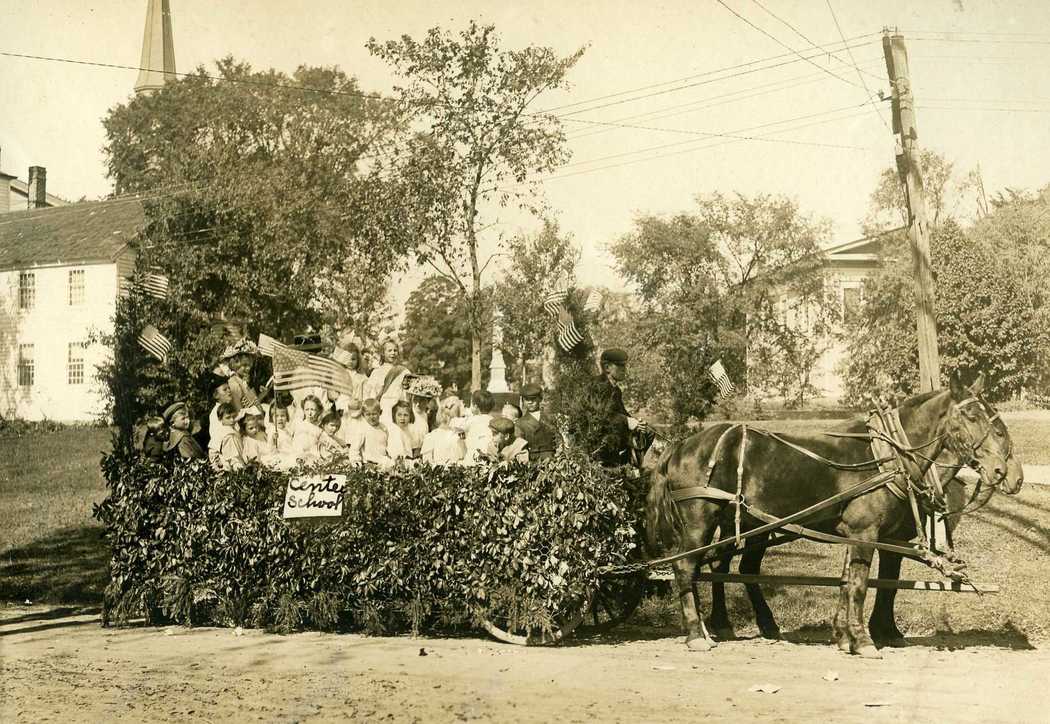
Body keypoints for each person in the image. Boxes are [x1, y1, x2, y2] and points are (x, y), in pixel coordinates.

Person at [592, 348, 651, 467]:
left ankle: (630, 468)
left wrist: (637, 423)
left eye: (624, 365)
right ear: (607, 367)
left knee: (648, 433)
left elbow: (621, 412)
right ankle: (616, 468)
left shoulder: (616, 390)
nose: (624, 369)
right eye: (620, 366)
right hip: (597, 436)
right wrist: (627, 421)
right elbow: (601, 415)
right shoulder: (598, 385)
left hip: (613, 431)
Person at [363, 338, 413, 426]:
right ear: (383, 353)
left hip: (399, 410)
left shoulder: (405, 372)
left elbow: (407, 394)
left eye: (395, 350)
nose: (393, 353)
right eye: (389, 350)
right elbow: (369, 393)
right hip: (383, 408)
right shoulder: (377, 372)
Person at [515, 383, 559, 462]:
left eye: (533, 399)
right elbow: (520, 447)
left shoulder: (551, 418)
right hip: (532, 461)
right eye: (526, 399)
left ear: (540, 399)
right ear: (522, 401)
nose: (530, 402)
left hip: (552, 459)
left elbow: (558, 439)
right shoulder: (520, 423)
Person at [420, 397, 466, 464]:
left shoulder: (459, 436)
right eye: (447, 415)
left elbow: (463, 458)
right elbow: (427, 462)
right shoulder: (431, 437)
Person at [358, 398, 394, 469]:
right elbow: (355, 449)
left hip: (382, 461)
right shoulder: (363, 429)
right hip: (369, 463)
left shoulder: (383, 428)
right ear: (363, 415)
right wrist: (357, 464)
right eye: (368, 414)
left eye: (374, 414)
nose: (371, 417)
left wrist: (388, 454)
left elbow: (386, 445)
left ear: (380, 413)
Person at [289, 394, 324, 460]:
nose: (309, 413)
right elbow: (289, 440)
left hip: (311, 458)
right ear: (303, 410)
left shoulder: (319, 430)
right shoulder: (298, 424)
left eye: (313, 410)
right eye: (307, 409)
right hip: (296, 456)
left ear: (319, 411)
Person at [464, 389, 496, 460]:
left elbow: (460, 427)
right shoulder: (493, 420)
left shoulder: (471, 420)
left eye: (470, 405)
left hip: (473, 455)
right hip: (488, 454)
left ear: (475, 406)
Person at [213, 403, 246, 471]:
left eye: (233, 417)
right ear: (220, 419)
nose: (232, 420)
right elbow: (233, 457)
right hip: (235, 466)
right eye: (228, 418)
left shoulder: (224, 428)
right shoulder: (229, 435)